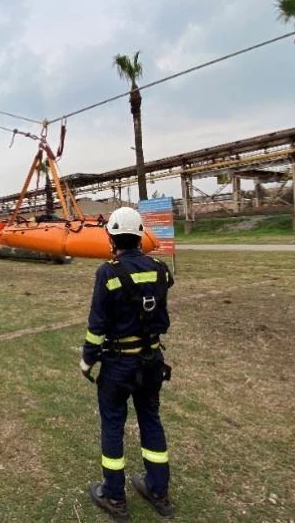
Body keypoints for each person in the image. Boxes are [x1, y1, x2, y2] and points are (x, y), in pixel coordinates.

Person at [80, 207, 175, 521]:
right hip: (151, 361)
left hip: (119, 365)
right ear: (139, 235)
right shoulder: (160, 268)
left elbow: (97, 327)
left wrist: (87, 361)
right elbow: (165, 284)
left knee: (112, 425)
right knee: (150, 418)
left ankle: (114, 496)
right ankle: (158, 490)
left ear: (111, 236)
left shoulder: (107, 273)